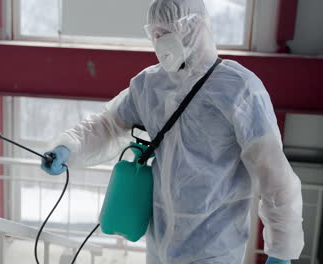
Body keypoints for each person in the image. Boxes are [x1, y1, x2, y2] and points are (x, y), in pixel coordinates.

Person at [40, 0, 304, 263]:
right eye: (155, 33)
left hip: (216, 247)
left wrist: (281, 249)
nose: (160, 40)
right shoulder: (149, 84)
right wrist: (69, 147)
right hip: (160, 242)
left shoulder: (239, 88)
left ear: (196, 27)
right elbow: (108, 125)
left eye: (168, 32)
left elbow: (273, 172)